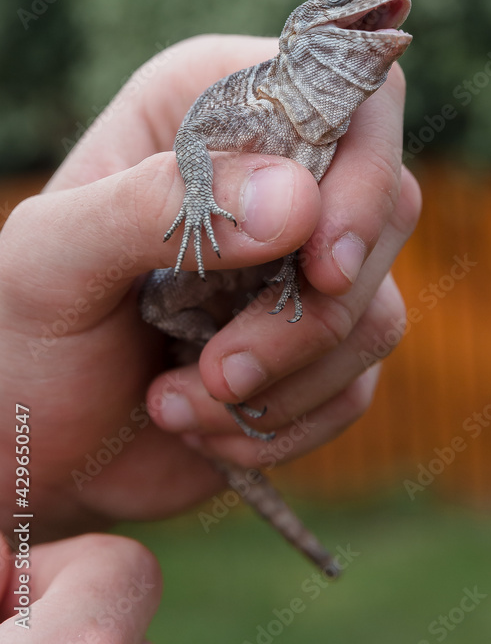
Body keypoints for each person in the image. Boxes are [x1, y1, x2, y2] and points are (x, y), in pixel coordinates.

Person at [0, 34, 421, 638]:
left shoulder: (331, 133)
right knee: (165, 305)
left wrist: (35, 481)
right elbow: (192, 132)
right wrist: (198, 194)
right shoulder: (263, 99)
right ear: (302, 31)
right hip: (184, 301)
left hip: (239, 294)